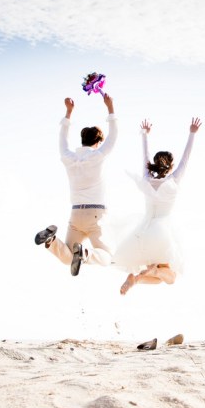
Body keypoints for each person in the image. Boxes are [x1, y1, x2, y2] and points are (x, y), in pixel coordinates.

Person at [114, 116, 201, 295]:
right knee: (171, 278)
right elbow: (186, 158)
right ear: (170, 166)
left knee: (159, 280)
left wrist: (145, 135)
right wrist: (192, 133)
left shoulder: (147, 178)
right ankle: (149, 272)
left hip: (143, 230)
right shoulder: (174, 179)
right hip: (161, 230)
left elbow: (144, 157)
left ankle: (135, 279)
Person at [34, 93, 118, 276]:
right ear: (97, 143)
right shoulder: (97, 156)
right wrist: (110, 107)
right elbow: (113, 136)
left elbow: (62, 139)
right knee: (108, 257)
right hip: (96, 215)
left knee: (68, 258)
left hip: (76, 214)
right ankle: (86, 254)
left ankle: (51, 241)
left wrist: (68, 112)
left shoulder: (68, 158)